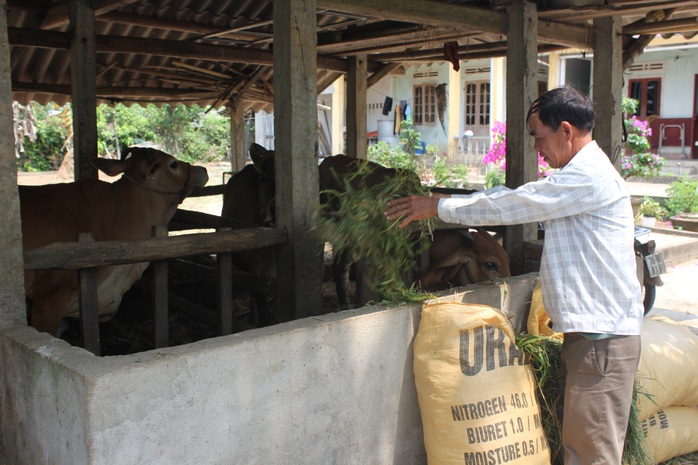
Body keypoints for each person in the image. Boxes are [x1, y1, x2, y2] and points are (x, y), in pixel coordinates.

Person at [386, 86, 643, 465]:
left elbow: (517, 202)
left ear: (566, 131)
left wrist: (439, 206)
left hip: (601, 343)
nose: (537, 147)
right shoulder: (583, 174)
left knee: (592, 454)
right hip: (592, 338)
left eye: (540, 137)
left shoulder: (586, 177)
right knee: (582, 446)